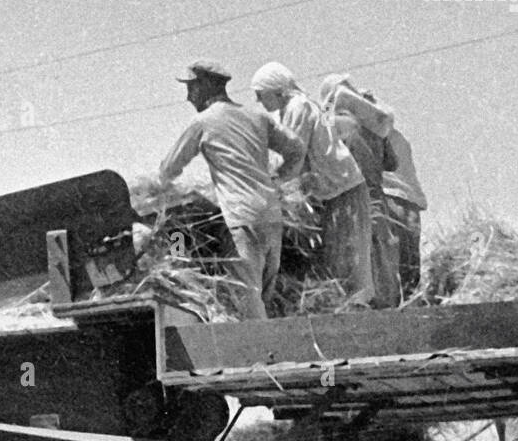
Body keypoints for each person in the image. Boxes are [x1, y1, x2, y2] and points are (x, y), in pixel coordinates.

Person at [159, 61, 304, 320]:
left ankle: (261, 354)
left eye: (191, 87)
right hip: (272, 216)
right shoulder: (257, 117)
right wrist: (278, 178)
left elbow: (169, 168)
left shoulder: (203, 121)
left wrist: (158, 192)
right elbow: (296, 148)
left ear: (205, 86)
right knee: (264, 296)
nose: (188, 95)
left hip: (242, 219)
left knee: (248, 300)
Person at [250, 61, 373, 304]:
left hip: (343, 190)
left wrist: (268, 185)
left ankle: (357, 308)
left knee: (347, 260)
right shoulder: (294, 108)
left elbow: (293, 159)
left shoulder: (297, 107)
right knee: (338, 257)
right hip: (335, 191)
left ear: (277, 91)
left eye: (260, 95)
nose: (258, 102)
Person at [320, 74, 401, 309]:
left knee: (356, 267)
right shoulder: (374, 130)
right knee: (384, 264)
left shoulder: (335, 125)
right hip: (379, 202)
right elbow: (392, 164)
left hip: (353, 206)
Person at [383, 124, 428, 298]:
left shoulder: (369, 134)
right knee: (409, 266)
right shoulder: (398, 137)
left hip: (390, 199)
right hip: (410, 202)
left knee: (392, 265)